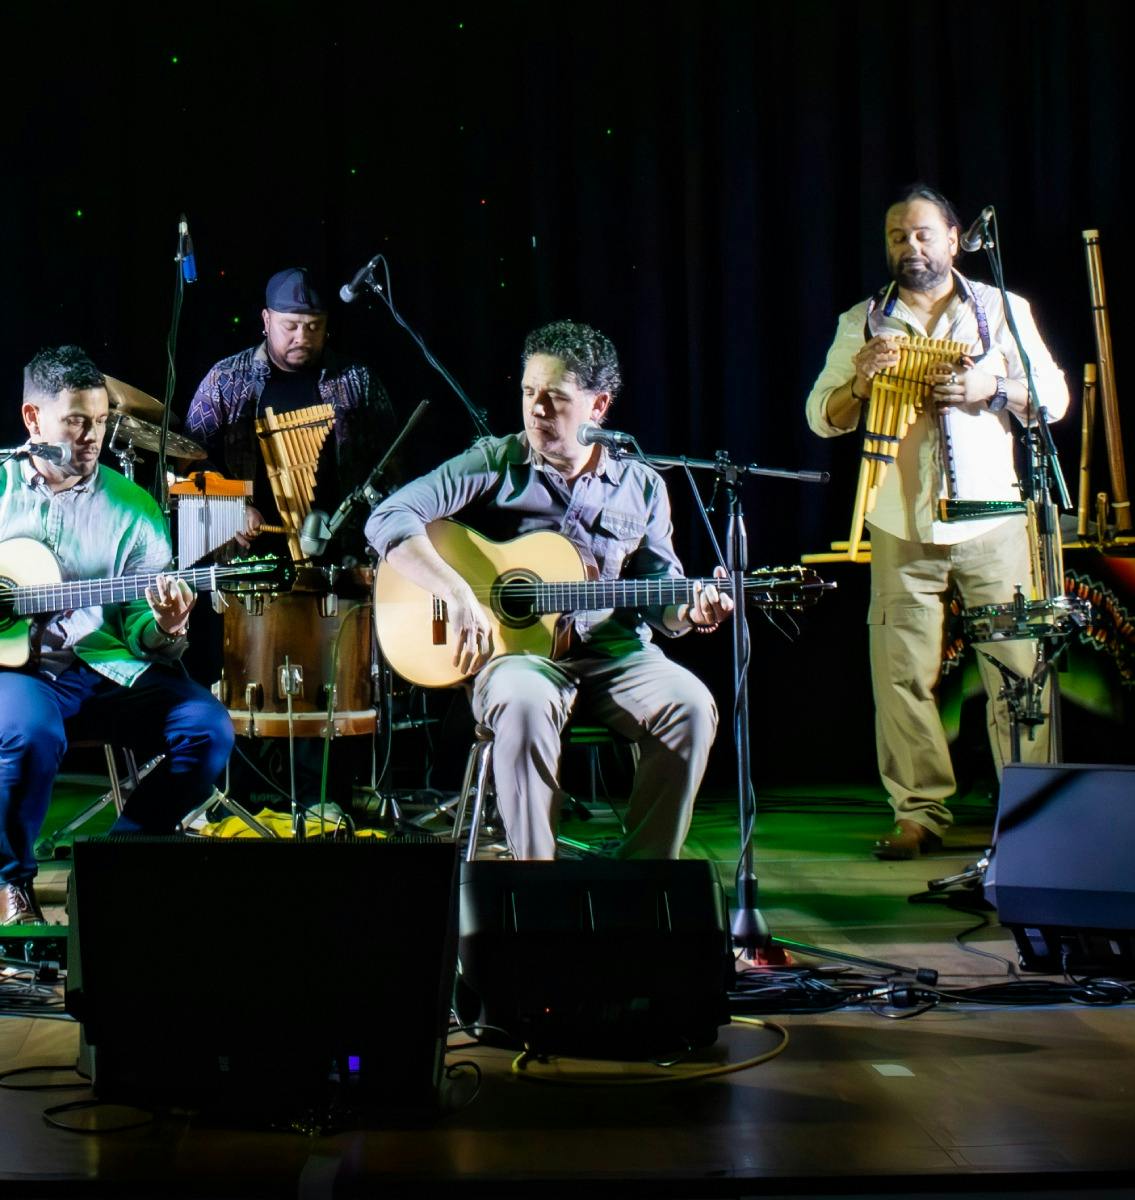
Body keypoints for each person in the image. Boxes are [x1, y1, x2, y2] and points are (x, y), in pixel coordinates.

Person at [365, 320, 731, 860]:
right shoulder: (497, 459)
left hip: (613, 653)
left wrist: (693, 611)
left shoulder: (643, 485)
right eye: (528, 392)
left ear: (598, 407)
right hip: (517, 660)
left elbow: (661, 595)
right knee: (524, 700)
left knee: (692, 705)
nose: (536, 409)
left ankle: (644, 882)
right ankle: (535, 886)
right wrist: (458, 591)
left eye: (555, 397)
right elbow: (388, 515)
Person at [804, 185, 1071, 859]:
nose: (910, 247)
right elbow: (820, 417)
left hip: (994, 520)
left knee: (1018, 670)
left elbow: (1055, 398)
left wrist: (994, 389)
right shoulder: (862, 322)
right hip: (902, 522)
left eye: (923, 234)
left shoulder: (1003, 310)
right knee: (901, 674)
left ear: (953, 239)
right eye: (898, 236)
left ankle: (1031, 812)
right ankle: (919, 812)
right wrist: (862, 383)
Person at [1, 346, 234, 925]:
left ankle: (117, 860)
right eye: (76, 421)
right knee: (30, 734)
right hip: (20, 676)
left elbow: (138, 629)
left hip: (104, 669)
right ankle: (11, 884)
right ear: (33, 420)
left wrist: (165, 625)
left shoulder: (134, 509)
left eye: (101, 421)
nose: (92, 437)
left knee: (207, 728)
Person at [185, 267, 399, 559]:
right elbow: (187, 463)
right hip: (250, 564)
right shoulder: (225, 380)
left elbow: (393, 469)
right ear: (267, 319)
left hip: (343, 562)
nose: (302, 337)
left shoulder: (358, 381)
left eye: (313, 327)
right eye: (291, 326)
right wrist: (230, 505)